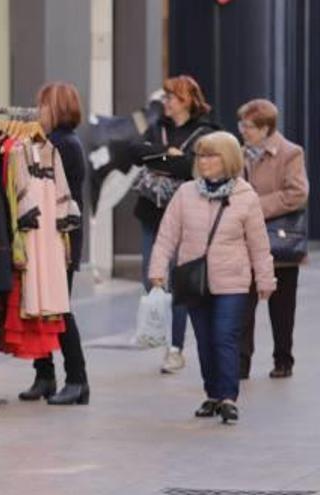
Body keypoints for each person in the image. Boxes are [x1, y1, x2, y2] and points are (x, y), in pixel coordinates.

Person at [149, 131, 275, 424]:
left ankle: (229, 398)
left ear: (228, 159)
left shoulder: (245, 197)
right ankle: (213, 394)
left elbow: (259, 244)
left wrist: (266, 280)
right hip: (195, 279)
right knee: (205, 340)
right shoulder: (186, 193)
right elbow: (167, 235)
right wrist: (157, 270)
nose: (203, 162)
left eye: (211, 155)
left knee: (224, 337)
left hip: (232, 281)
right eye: (200, 155)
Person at [131, 75, 219, 374]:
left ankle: (175, 348)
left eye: (171, 97)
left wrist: (163, 159)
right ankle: (162, 334)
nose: (165, 102)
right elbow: (136, 153)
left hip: (184, 215)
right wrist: (169, 157)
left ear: (186, 101)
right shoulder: (159, 127)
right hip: (152, 213)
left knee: (179, 282)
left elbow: (193, 169)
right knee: (152, 277)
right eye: (165, 97)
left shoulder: (205, 132)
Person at [18, 82, 89, 405]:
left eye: (43, 106)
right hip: (50, 235)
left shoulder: (63, 145)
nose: (38, 112)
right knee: (43, 302)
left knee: (60, 307)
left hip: (60, 237)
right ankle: (44, 374)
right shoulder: (52, 142)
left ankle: (77, 379)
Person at [237, 99, 309, 379]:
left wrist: (255, 205)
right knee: (243, 303)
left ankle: (283, 359)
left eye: (249, 126)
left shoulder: (290, 153)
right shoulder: (239, 153)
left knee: (282, 306)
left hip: (280, 241)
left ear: (266, 128)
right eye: (241, 124)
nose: (243, 130)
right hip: (246, 242)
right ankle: (242, 362)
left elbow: (297, 194)